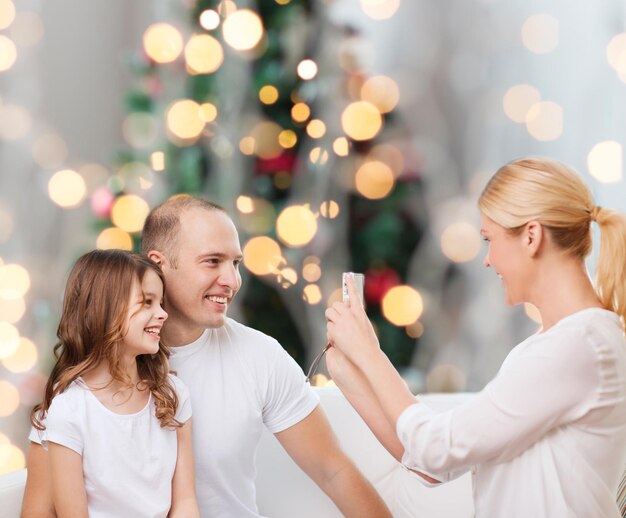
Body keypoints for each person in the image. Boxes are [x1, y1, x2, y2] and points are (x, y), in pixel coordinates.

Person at [22, 197, 390, 518]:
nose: (232, 280)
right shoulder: (77, 394)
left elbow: (333, 471)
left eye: (236, 263)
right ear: (159, 264)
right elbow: (41, 509)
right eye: (212, 261)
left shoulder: (258, 355)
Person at [325, 157, 626, 517]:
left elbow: (436, 448)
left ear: (531, 236)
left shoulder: (580, 345)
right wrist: (350, 375)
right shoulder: (548, 347)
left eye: (489, 239)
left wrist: (369, 353)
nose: (487, 260)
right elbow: (431, 464)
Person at [24, 250, 199, 518]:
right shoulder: (70, 410)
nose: (163, 314)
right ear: (104, 311)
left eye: (161, 303)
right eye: (147, 302)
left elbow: (185, 502)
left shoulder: (172, 394)